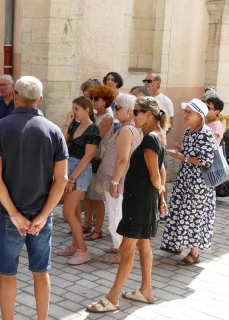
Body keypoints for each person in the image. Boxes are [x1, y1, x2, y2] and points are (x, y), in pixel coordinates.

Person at [0, 76, 68, 320]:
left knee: (7, 274)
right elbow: (61, 180)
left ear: (14, 97)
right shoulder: (54, 131)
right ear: (39, 100)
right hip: (40, 216)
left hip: (8, 215)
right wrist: (43, 216)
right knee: (41, 272)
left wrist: (13, 214)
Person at [86, 97, 168, 313]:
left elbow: (155, 175)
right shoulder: (156, 135)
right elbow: (161, 169)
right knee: (143, 245)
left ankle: (112, 299)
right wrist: (160, 195)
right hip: (141, 200)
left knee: (125, 249)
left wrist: (159, 192)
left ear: (149, 114)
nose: (134, 115)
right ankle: (146, 290)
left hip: (140, 202)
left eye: (138, 111)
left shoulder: (151, 138)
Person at [161, 98, 216, 265]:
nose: (185, 115)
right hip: (186, 178)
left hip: (198, 183)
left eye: (189, 112)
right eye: (185, 111)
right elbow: (191, 154)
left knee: (194, 216)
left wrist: (183, 157)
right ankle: (178, 244)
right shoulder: (188, 131)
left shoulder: (206, 133)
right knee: (182, 212)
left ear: (200, 116)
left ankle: (194, 253)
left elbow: (206, 160)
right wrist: (181, 152)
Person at [95, 94, 144, 263]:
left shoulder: (126, 130)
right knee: (117, 215)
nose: (115, 110)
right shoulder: (129, 128)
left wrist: (115, 182)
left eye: (118, 107)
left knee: (116, 219)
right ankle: (118, 247)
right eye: (115, 107)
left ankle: (121, 255)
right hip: (118, 180)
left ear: (129, 111)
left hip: (118, 182)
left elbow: (123, 159)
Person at [57, 97, 101, 265]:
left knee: (67, 212)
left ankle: (83, 251)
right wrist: (67, 123)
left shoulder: (93, 130)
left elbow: (88, 157)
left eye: (76, 108)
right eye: (73, 108)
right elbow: (62, 143)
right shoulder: (75, 125)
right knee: (73, 211)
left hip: (80, 172)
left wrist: (72, 178)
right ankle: (76, 246)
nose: (73, 111)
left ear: (86, 110)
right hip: (69, 167)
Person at [82, 85, 115, 241]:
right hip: (89, 158)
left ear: (105, 101)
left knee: (96, 197)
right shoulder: (95, 115)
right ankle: (86, 224)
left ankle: (98, 229)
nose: (93, 101)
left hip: (98, 159)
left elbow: (96, 137)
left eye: (96, 98)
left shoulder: (107, 118)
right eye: (92, 98)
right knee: (87, 195)